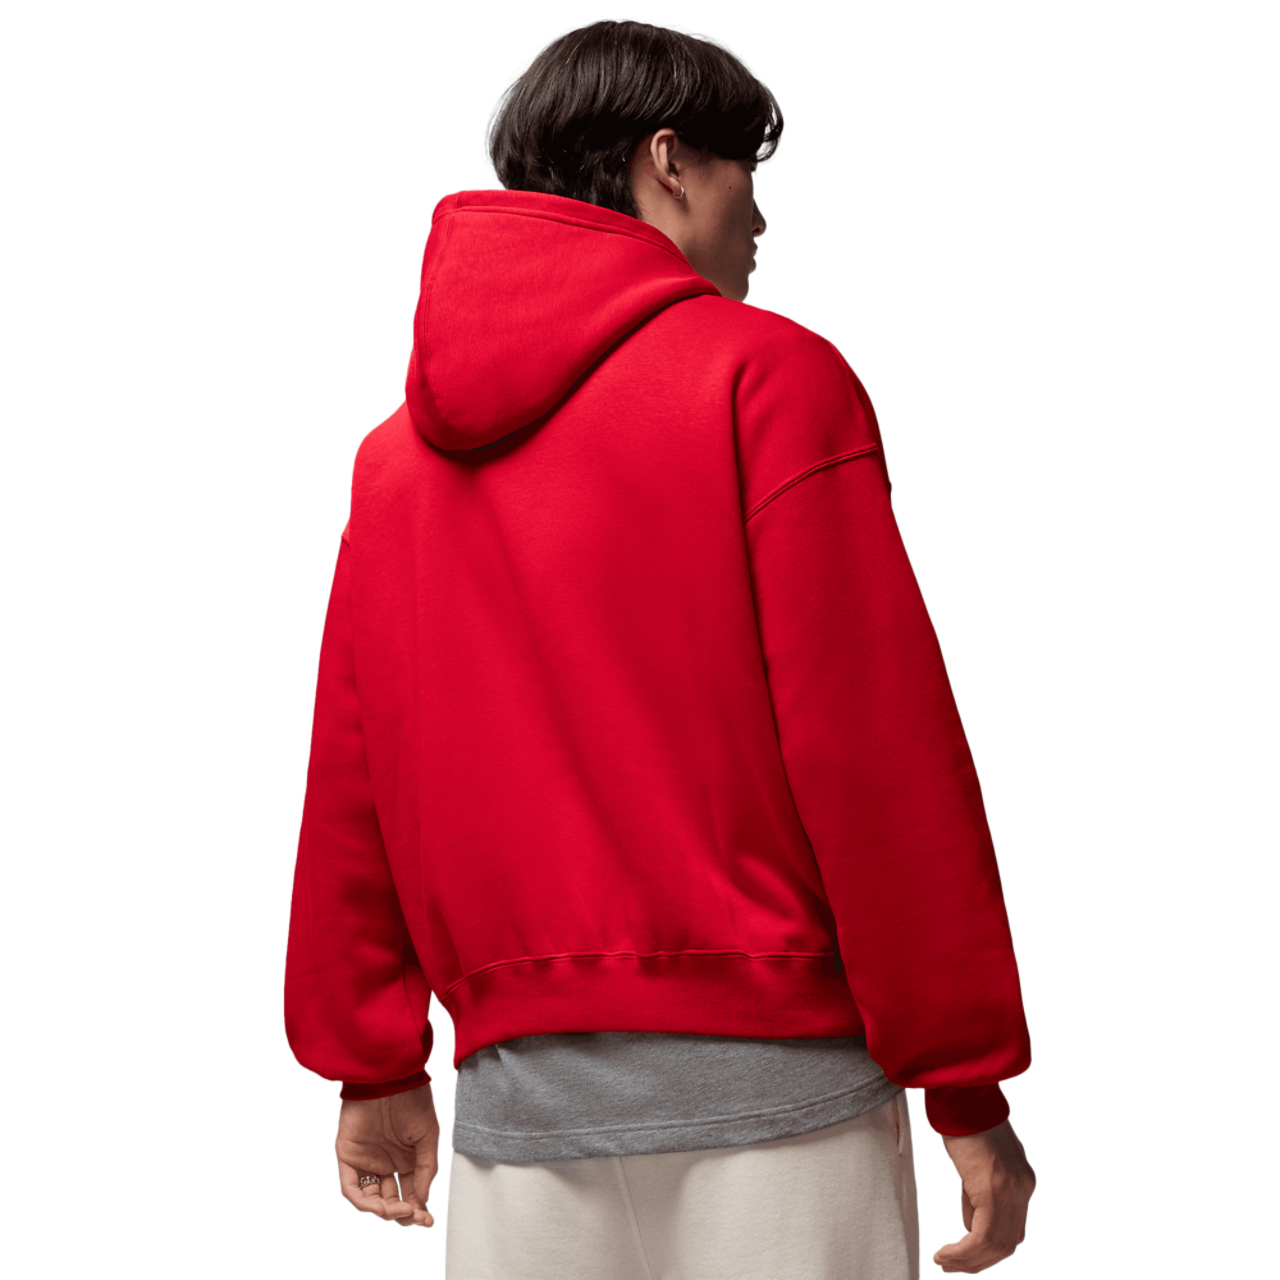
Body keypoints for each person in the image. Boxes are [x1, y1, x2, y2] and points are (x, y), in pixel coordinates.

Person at [283, 18, 1035, 1278]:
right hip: (785, 1109)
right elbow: (874, 755)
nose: (758, 217)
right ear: (669, 160)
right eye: (751, 173)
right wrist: (962, 1082)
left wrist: (370, 1063)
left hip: (520, 1133)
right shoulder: (768, 380)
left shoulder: (394, 461)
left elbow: (355, 778)